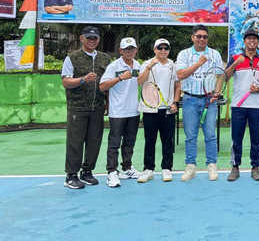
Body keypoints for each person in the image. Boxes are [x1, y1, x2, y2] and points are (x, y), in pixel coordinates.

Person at [61, 26, 111, 189]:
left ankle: (87, 172)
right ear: (82, 38)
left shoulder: (105, 59)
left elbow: (107, 84)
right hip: (78, 107)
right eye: (89, 38)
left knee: (94, 141)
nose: (92, 40)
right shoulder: (72, 58)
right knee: (75, 141)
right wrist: (83, 79)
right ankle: (71, 175)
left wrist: (108, 102)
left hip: (97, 107)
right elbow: (66, 83)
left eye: (95, 38)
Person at [176, 25, 225, 182]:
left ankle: (211, 165)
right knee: (191, 136)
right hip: (190, 99)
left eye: (204, 36)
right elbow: (181, 75)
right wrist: (198, 63)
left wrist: (216, 93)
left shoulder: (214, 54)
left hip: (208, 101)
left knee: (210, 135)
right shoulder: (184, 54)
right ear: (192, 37)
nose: (202, 39)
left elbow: (219, 77)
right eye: (198, 36)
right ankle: (191, 167)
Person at [226, 30, 259, 181]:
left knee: (256, 138)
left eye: (254, 39)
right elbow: (225, 76)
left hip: (257, 106)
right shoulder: (235, 58)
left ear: (258, 42)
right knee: (236, 138)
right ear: (244, 42)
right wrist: (235, 64)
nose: (252, 41)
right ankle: (235, 167)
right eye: (249, 39)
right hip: (238, 105)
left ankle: (255, 167)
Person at [136, 38, 181, 184]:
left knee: (168, 141)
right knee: (150, 140)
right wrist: (149, 67)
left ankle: (167, 168)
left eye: (166, 48)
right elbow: (140, 81)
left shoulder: (173, 66)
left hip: (168, 110)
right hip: (150, 110)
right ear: (155, 49)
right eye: (160, 48)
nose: (163, 50)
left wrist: (175, 103)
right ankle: (148, 169)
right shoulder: (146, 64)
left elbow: (177, 86)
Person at [99, 37, 143, 187]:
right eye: (126, 49)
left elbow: (141, 82)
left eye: (132, 49)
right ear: (120, 51)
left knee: (129, 142)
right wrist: (120, 78)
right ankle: (112, 172)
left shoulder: (137, 65)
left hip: (134, 111)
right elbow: (102, 86)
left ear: (136, 50)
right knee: (114, 143)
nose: (129, 52)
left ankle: (127, 167)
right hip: (117, 112)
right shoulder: (114, 66)